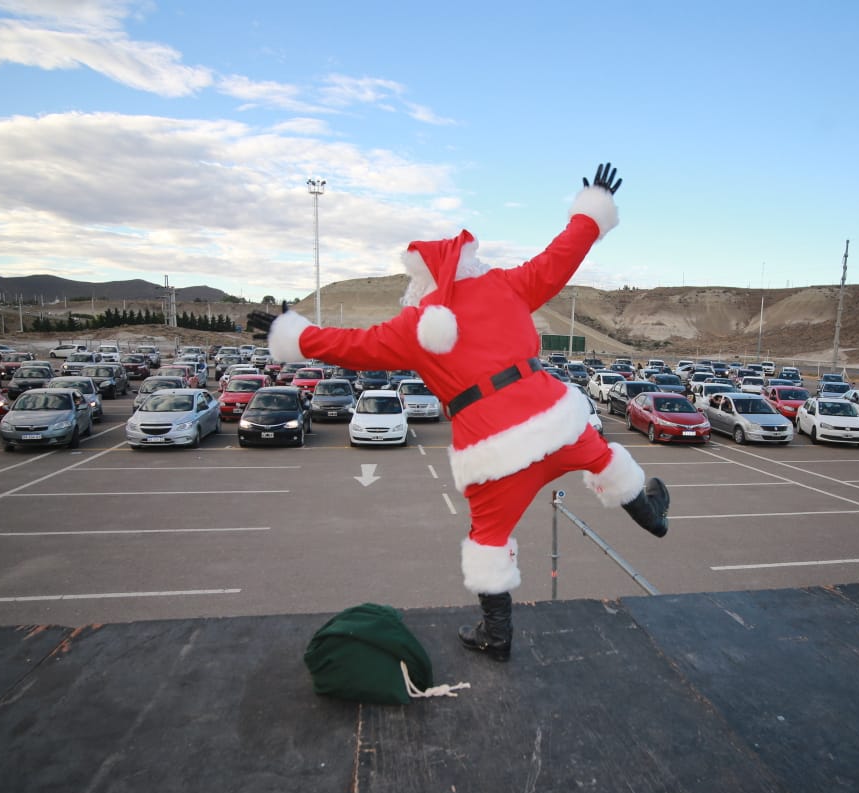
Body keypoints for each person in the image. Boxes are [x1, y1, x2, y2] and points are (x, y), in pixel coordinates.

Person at [250, 162, 669, 663]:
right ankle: (652, 516)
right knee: (604, 459)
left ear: (419, 282)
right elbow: (561, 257)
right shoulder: (506, 286)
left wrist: (292, 333)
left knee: (487, 541)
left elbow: (350, 345)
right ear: (469, 263)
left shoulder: (417, 327)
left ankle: (498, 635)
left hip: (493, 450)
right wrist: (591, 210)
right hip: (556, 421)